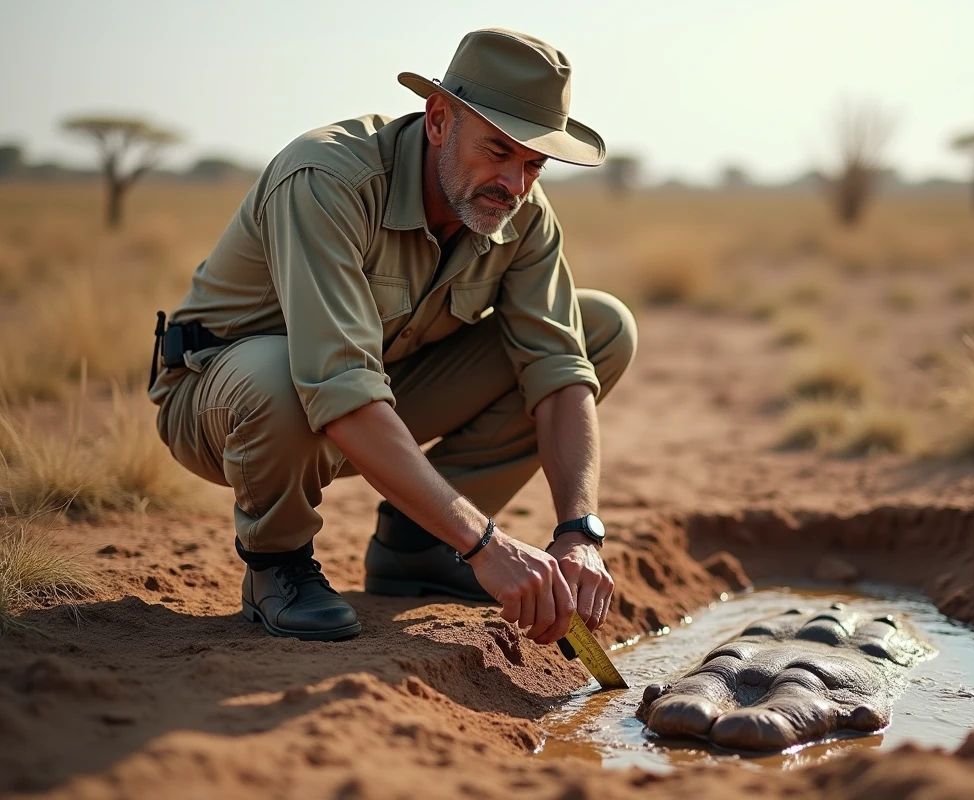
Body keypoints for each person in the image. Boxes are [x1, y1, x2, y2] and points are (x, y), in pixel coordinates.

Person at [147, 28, 636, 644]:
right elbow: (339, 384)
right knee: (280, 375)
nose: (514, 184)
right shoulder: (327, 178)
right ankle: (278, 563)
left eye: (534, 163)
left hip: (376, 393)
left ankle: (420, 547)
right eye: (497, 150)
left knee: (601, 328)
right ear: (439, 119)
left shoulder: (525, 213)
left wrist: (579, 532)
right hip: (228, 406)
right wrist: (486, 545)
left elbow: (559, 370)